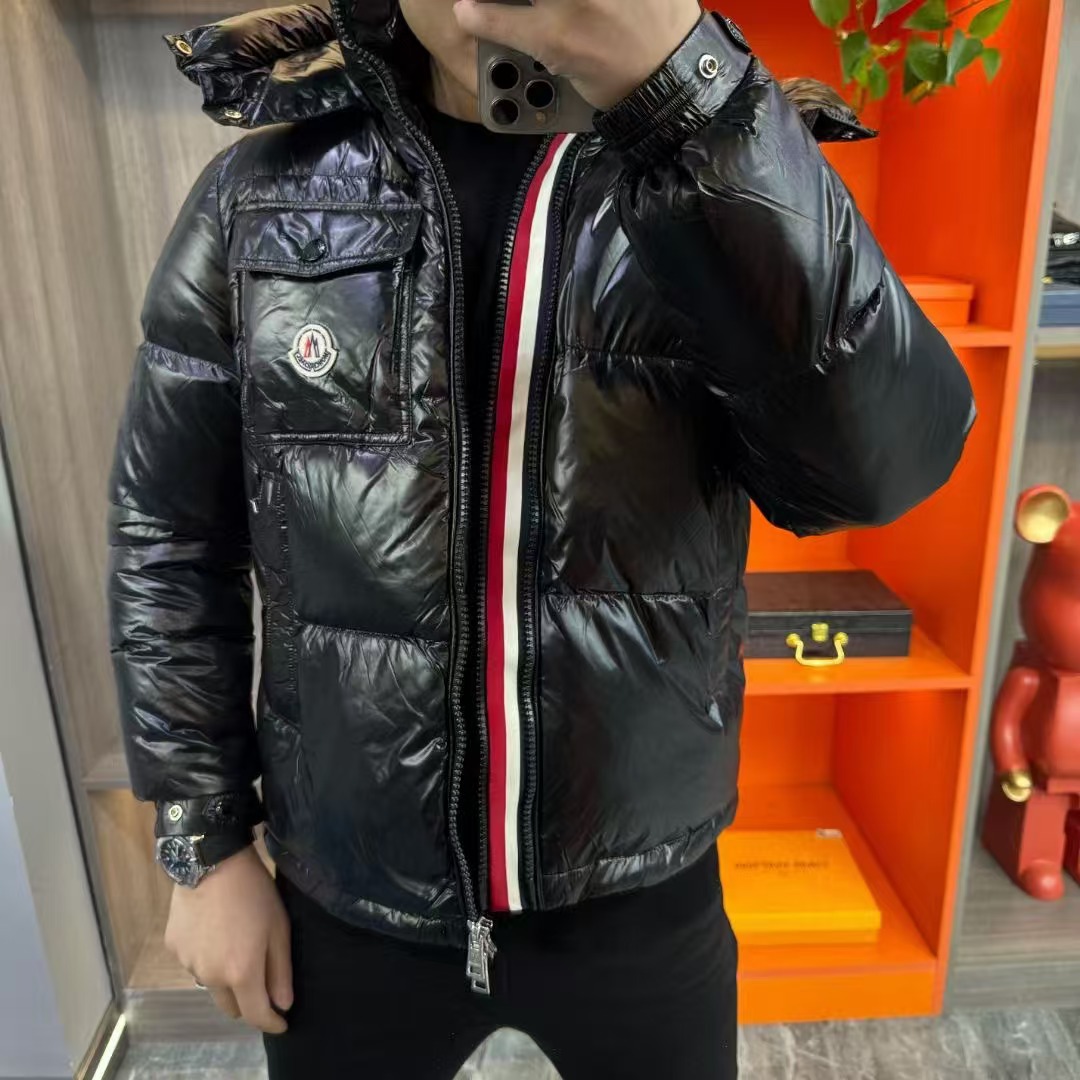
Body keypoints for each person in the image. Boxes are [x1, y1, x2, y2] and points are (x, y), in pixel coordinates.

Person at [106, 1, 975, 1077]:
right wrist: (203, 841)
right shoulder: (261, 197)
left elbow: (880, 471)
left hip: (642, 891)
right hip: (351, 892)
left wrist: (695, 104)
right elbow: (170, 535)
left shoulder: (726, 177)